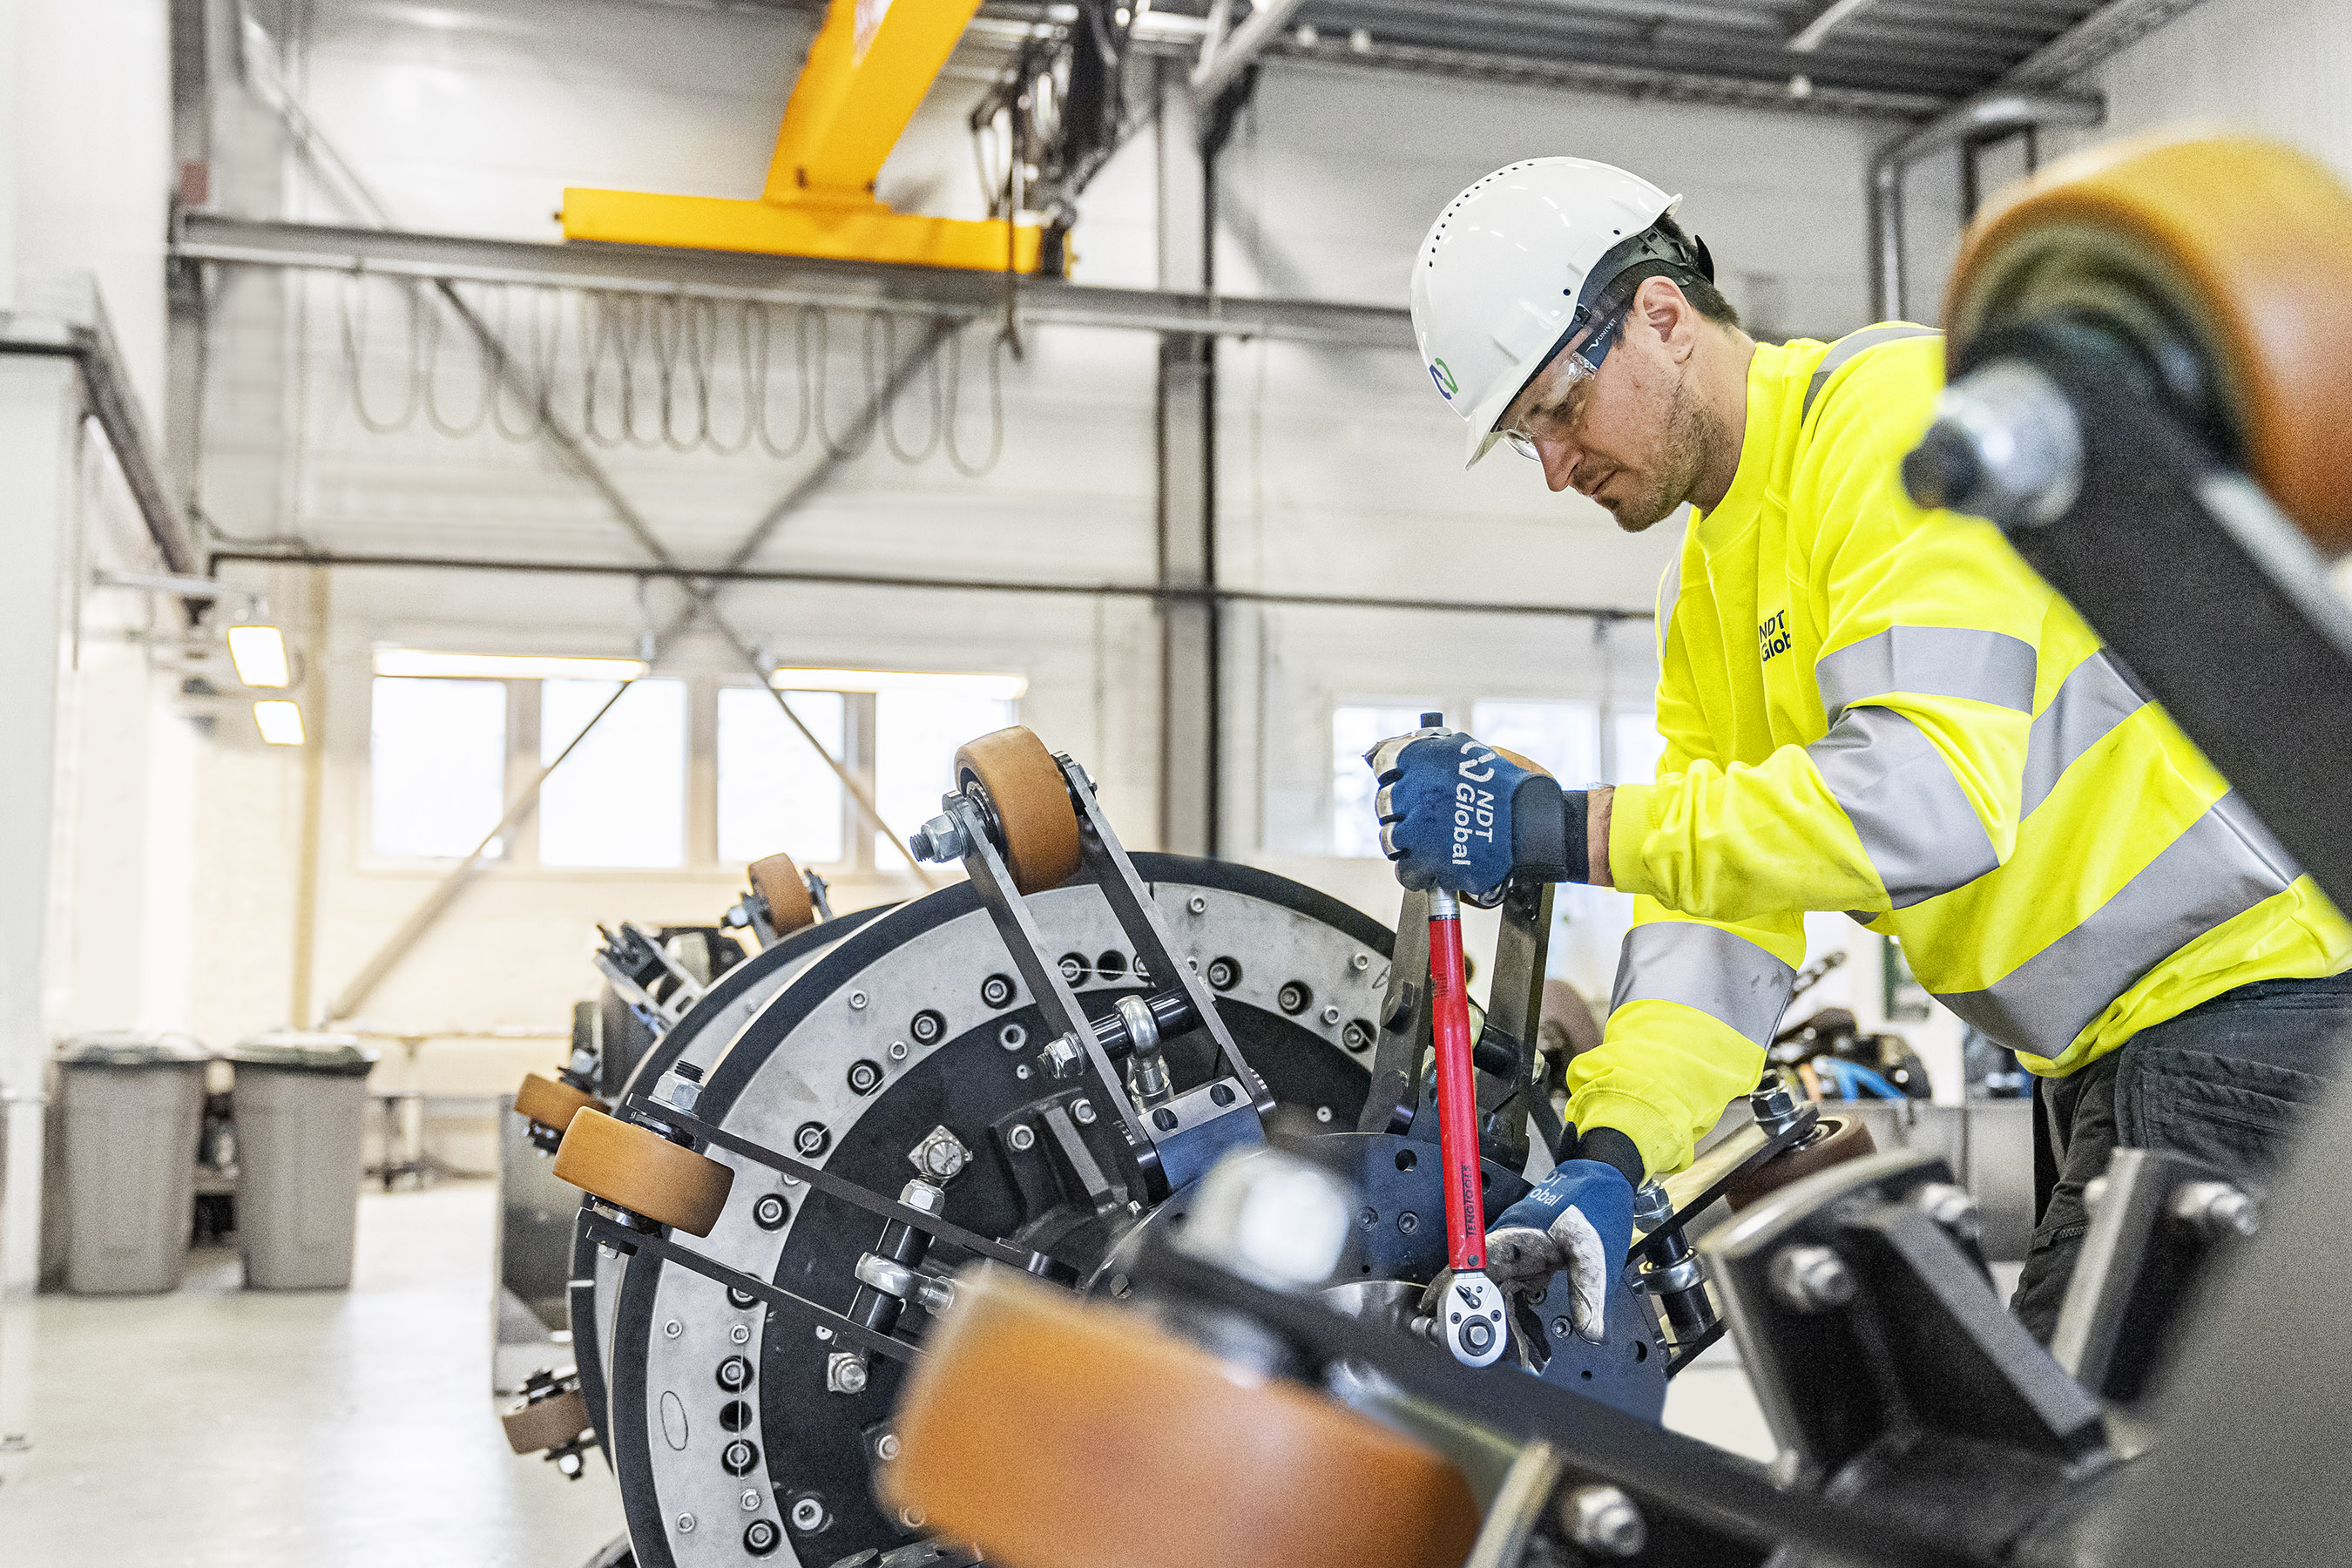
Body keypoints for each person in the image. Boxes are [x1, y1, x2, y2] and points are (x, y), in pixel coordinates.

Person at [1376, 157, 2352, 1342]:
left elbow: (1928, 801)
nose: (1553, 467)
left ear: (1662, 317)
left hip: (2255, 1009)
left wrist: (1561, 828)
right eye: (1522, 437)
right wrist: (1613, 1152)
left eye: (1559, 411)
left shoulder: (1886, 417)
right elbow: (1719, 923)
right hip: (2114, 1053)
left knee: (2075, 1460)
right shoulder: (1706, 596)